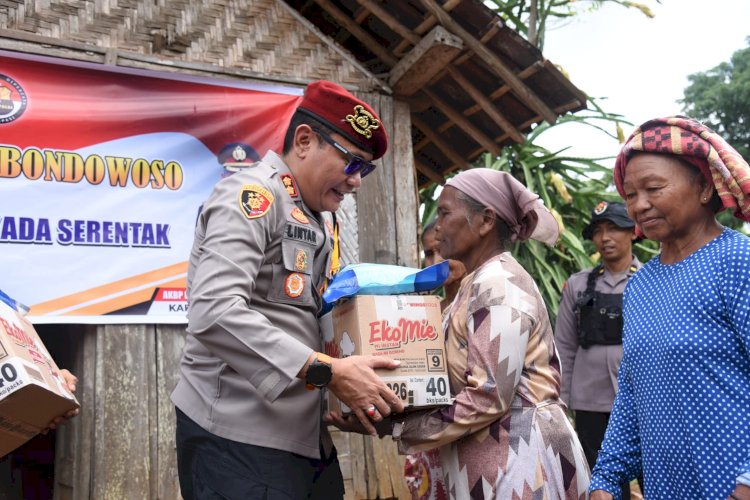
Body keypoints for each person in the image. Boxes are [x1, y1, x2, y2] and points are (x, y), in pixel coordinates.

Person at [171, 80, 405, 500]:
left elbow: (307, 320)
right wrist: (329, 373)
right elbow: (214, 311)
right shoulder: (251, 197)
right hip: (236, 438)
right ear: (303, 141)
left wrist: (357, 389)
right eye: (353, 163)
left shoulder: (319, 219)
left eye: (365, 171)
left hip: (304, 440)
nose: (357, 182)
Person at [330, 168, 591, 498]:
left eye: (444, 213)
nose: (437, 226)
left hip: (521, 462)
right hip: (494, 458)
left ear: (485, 221)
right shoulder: (475, 284)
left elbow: (487, 396)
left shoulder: (499, 284)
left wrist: (399, 428)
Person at [588, 116, 750, 500]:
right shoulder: (641, 285)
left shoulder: (737, 262)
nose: (639, 205)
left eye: (654, 188)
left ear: (705, 187)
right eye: (630, 194)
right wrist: (605, 480)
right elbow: (631, 391)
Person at [554, 201, 640, 497]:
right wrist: (561, 401)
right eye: (598, 231)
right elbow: (564, 346)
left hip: (641, 399)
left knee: (653, 476)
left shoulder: (648, 281)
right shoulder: (578, 286)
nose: (605, 238)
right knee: (602, 482)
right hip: (589, 402)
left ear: (633, 232)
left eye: (614, 228)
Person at [402, 219, 467, 499]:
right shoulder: (425, 312)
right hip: (431, 444)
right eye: (429, 253)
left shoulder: (483, 307)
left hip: (472, 438)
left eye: (443, 248)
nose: (436, 259)